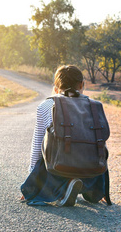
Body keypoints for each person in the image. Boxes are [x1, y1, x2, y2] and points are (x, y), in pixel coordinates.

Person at [20, 65, 109, 206]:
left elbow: (37, 143)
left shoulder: (46, 105)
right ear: (81, 84)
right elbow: (100, 144)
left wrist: (32, 180)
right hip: (91, 170)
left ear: (56, 87)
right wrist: (103, 186)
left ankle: (65, 186)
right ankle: (92, 190)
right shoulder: (95, 106)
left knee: (47, 153)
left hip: (58, 168)